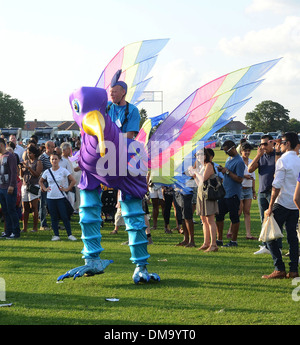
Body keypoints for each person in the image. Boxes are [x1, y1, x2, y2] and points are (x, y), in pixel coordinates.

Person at [263, 132, 300, 279]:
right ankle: (293, 270)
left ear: (288, 143)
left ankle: (279, 268)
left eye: (282, 142)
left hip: (282, 202)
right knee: (292, 237)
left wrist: (270, 206)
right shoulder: (298, 160)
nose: (280, 145)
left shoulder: (283, 161)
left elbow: (276, 186)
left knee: (269, 237)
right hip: (295, 204)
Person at [248, 134, 281, 254]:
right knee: (264, 219)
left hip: (274, 192)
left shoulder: (277, 156)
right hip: (262, 191)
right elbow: (250, 170)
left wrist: (277, 153)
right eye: (261, 144)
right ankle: (266, 246)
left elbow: (278, 170)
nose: (263, 146)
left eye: (265, 144)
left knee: (276, 219)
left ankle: (278, 246)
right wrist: (258, 155)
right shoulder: (261, 157)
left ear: (272, 143)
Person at [39, 151, 77, 241]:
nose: (54, 161)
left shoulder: (63, 170)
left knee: (64, 216)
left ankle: (69, 234)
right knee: (53, 216)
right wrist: (44, 188)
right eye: (52, 159)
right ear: (50, 160)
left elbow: (73, 180)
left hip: (61, 197)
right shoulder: (47, 172)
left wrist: (67, 189)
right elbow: (40, 181)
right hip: (51, 197)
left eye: (56, 159)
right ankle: (56, 234)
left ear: (59, 160)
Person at [215, 140, 244, 247]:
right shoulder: (229, 159)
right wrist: (223, 170)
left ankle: (234, 241)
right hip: (224, 193)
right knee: (219, 216)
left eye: (227, 150)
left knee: (234, 217)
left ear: (233, 148)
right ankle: (219, 239)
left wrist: (227, 172)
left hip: (233, 194)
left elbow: (240, 179)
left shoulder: (239, 162)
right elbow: (227, 173)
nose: (226, 153)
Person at [227, 143, 257, 240]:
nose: (247, 152)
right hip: (239, 189)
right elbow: (235, 174)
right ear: (241, 151)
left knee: (247, 212)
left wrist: (253, 191)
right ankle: (230, 230)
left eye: (249, 151)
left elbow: (254, 178)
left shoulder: (252, 162)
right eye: (245, 151)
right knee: (238, 211)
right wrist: (245, 176)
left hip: (248, 189)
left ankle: (248, 234)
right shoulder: (238, 161)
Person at [196, 148, 219, 252]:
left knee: (210, 219)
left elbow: (203, 179)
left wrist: (195, 172)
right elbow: (199, 183)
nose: (199, 157)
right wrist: (194, 174)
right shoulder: (202, 166)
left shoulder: (209, 165)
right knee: (203, 220)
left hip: (209, 195)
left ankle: (214, 244)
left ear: (206, 156)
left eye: (201, 155)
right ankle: (206, 243)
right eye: (197, 155)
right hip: (201, 194)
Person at [0, 138, 20, 239]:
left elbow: (13, 172)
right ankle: (8, 232)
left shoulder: (10, 156)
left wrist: (12, 185)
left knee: (11, 210)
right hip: (1, 187)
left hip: (9, 187)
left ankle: (15, 232)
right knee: (5, 211)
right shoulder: (1, 156)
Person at [19, 145, 43, 233]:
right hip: (25, 186)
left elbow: (37, 174)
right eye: (28, 153)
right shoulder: (26, 161)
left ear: (34, 153)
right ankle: (24, 228)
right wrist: (21, 168)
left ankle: (35, 228)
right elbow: (21, 175)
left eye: (30, 153)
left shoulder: (38, 162)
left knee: (34, 207)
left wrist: (29, 168)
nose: (29, 155)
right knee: (25, 208)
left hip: (34, 186)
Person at [38, 141, 55, 230]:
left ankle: (53, 223)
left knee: (51, 204)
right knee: (43, 204)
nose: (54, 149)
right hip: (44, 183)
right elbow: (41, 171)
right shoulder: (42, 157)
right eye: (52, 147)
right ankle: (43, 224)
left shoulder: (52, 157)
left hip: (51, 183)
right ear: (48, 147)